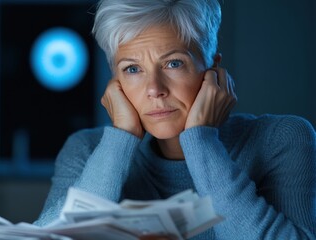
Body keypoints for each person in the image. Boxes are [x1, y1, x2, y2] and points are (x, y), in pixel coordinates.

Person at [34, 0, 316, 239]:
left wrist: (201, 140)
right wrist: (120, 138)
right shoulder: (86, 149)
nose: (155, 89)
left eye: (173, 63)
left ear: (213, 68)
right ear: (115, 82)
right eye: (132, 69)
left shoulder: (283, 139)